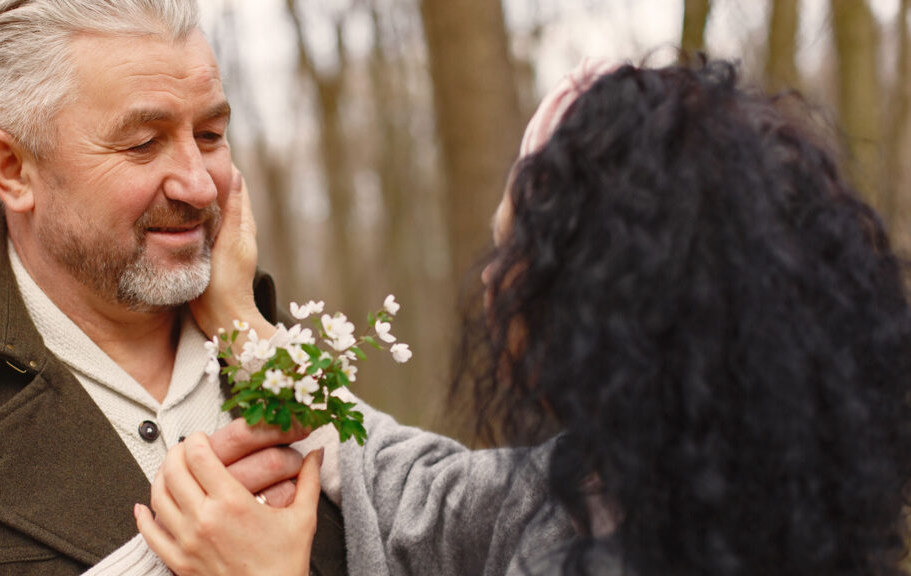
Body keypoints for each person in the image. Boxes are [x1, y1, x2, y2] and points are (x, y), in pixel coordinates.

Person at [137, 57, 911, 576]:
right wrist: (242, 320)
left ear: (614, 290)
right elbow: (425, 491)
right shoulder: (615, 476)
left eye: (514, 251)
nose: (490, 289)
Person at [0, 1, 349, 575]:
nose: (198, 185)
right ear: (14, 169)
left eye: (211, 133)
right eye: (143, 143)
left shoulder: (282, 357)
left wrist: (253, 332)